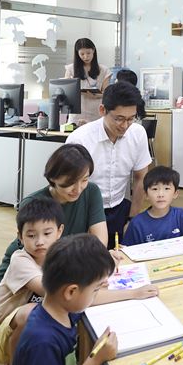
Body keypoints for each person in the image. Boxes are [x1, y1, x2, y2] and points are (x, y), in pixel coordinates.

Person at [0, 144, 108, 339]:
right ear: (52, 179)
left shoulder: (91, 191)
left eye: (85, 179)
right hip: (30, 274)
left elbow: (99, 240)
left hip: (63, 269)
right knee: (40, 317)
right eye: (69, 183)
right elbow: (38, 257)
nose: (78, 189)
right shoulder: (34, 203)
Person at [0, 198, 64, 365]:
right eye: (31, 236)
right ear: (20, 236)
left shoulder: (59, 256)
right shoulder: (20, 260)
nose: (40, 241)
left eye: (47, 234)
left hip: (29, 332)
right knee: (31, 312)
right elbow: (51, 292)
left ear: (59, 232)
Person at [66, 81, 152, 250]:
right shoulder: (80, 139)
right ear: (102, 110)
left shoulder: (137, 133)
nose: (125, 125)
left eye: (130, 119)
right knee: (88, 262)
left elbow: (141, 177)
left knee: (120, 259)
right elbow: (68, 187)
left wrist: (132, 219)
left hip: (119, 208)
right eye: (119, 119)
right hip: (84, 209)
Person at [12, 234, 118, 365]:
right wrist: (96, 359)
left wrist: (134, 293)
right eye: (95, 290)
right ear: (71, 292)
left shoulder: (62, 310)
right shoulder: (43, 343)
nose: (96, 294)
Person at [123, 166, 183, 250]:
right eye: (155, 189)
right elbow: (126, 251)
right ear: (146, 195)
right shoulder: (137, 223)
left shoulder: (181, 215)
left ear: (175, 193)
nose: (161, 194)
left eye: (166, 189)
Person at [64, 38, 111, 125]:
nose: (85, 57)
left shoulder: (104, 70)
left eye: (88, 53)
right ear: (77, 54)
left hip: (96, 113)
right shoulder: (71, 69)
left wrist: (95, 95)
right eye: (82, 54)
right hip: (76, 114)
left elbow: (107, 93)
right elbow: (66, 91)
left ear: (93, 50)